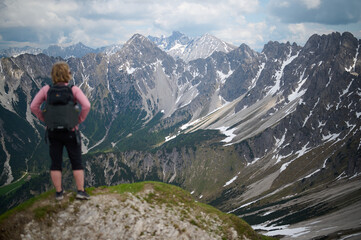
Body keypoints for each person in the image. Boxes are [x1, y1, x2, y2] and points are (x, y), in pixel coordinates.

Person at [31, 61, 91, 201]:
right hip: (71, 131)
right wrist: (79, 120)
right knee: (76, 161)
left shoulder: (47, 90)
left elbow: (34, 106)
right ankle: (81, 191)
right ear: (67, 74)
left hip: (53, 132)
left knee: (55, 162)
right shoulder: (73, 90)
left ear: (53, 75)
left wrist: (45, 119)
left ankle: (59, 193)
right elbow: (86, 105)